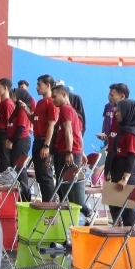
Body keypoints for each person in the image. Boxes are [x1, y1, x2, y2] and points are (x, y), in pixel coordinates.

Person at [103, 99, 135, 226]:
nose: (116, 113)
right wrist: (109, 170)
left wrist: (125, 178)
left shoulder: (132, 133)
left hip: (128, 172)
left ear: (127, 112)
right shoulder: (123, 130)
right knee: (114, 206)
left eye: (119, 111)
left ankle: (132, 238)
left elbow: (132, 157)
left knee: (127, 210)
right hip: (117, 169)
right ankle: (120, 238)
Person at [51, 85, 87, 219]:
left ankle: (87, 213)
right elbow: (77, 133)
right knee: (63, 189)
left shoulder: (66, 109)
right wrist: (80, 151)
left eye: (55, 97)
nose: (53, 100)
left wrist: (69, 152)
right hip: (71, 151)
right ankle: (66, 219)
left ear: (64, 95)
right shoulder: (70, 110)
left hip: (68, 153)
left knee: (66, 189)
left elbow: (69, 131)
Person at [32, 75, 59, 202]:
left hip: (44, 142)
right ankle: (45, 202)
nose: (37, 88)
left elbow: (51, 125)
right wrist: (26, 109)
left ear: (48, 85)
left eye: (39, 85)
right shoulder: (40, 102)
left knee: (45, 175)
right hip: (37, 141)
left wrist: (47, 145)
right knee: (40, 176)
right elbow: (34, 119)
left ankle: (50, 206)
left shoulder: (51, 103)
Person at [7, 88, 35, 202]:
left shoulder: (23, 111)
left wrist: (11, 141)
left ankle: (25, 197)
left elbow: (21, 128)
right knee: (15, 168)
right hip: (16, 140)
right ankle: (19, 196)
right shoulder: (16, 110)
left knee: (20, 168)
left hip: (22, 141)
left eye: (14, 94)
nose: (12, 96)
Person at [0, 78, 15, 173]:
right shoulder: (2, 103)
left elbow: (10, 123)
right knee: (1, 162)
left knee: (5, 163)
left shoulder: (8, 104)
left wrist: (9, 139)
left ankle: (9, 184)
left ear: (5, 88)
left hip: (4, 135)